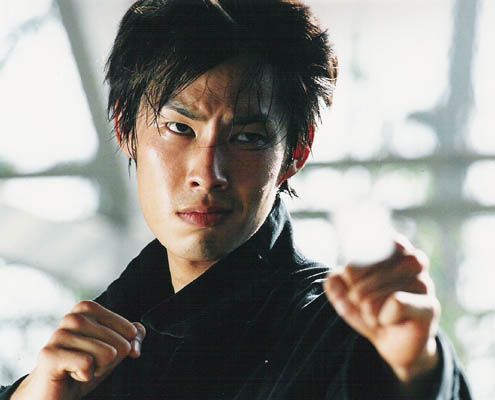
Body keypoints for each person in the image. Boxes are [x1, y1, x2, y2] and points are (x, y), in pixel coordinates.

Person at [1, 0, 471, 399]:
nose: (208, 174)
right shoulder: (86, 354)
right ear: (125, 128)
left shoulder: (336, 333)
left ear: (296, 152)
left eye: (247, 138)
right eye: (179, 128)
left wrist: (416, 368)